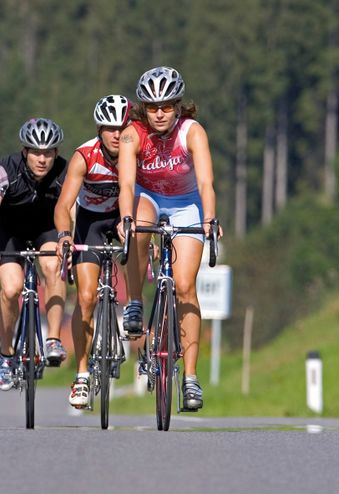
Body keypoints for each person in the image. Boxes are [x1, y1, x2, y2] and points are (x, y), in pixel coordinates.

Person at [117, 67, 222, 411]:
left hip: (185, 203)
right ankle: (134, 300)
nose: (159, 113)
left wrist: (209, 219)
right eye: (152, 107)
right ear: (143, 108)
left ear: (177, 106)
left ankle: (190, 378)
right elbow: (127, 186)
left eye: (166, 106)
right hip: (148, 198)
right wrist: (125, 219)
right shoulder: (132, 134)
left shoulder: (192, 132)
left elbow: (206, 182)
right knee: (139, 223)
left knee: (185, 286)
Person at [53, 95, 131, 408]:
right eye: (109, 128)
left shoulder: (134, 152)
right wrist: (63, 235)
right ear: (100, 129)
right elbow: (63, 205)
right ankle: (83, 374)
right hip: (91, 222)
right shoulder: (84, 156)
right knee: (85, 298)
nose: (115, 134)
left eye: (122, 127)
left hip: (125, 215)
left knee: (139, 250)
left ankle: (137, 310)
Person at [0, 118, 69, 391]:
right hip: (12, 233)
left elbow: (71, 211)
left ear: (56, 153)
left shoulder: (65, 171)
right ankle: (6, 356)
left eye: (48, 152)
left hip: (48, 230)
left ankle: (53, 339)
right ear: (25, 152)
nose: (42, 159)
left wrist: (70, 242)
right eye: (36, 152)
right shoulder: (5, 170)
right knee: (10, 289)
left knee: (52, 266)